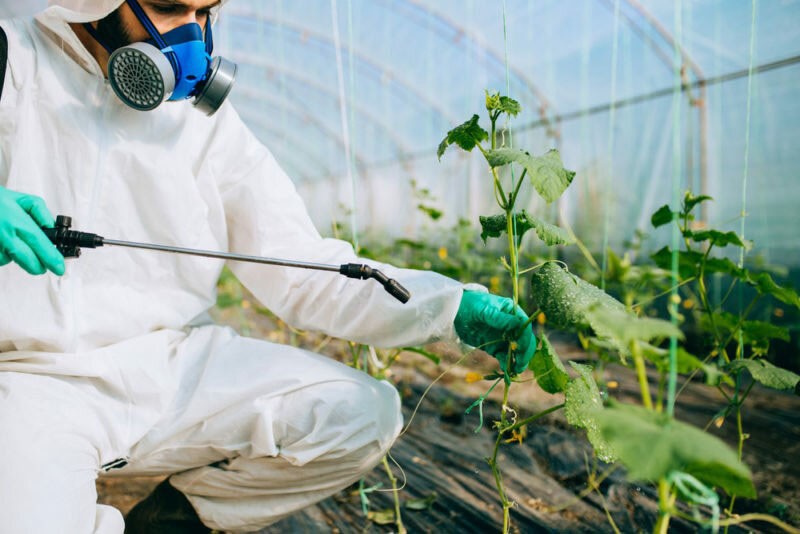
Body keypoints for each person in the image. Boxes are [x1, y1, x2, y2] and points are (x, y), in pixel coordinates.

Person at [0, 1, 537, 532]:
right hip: (31, 382)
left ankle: (165, 526)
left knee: (359, 412)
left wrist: (445, 308)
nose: (192, 34)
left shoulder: (205, 126)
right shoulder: (14, 63)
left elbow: (301, 267)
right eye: (169, 9)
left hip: (170, 368)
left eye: (205, 13)